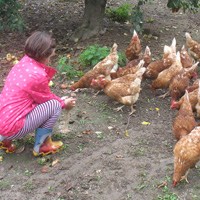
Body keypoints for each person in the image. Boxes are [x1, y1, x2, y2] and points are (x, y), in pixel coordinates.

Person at [0, 31, 76, 156]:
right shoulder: (37, 75)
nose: (50, 60)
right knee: (54, 105)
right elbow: (47, 99)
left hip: (3, 120)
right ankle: (42, 146)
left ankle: (3, 138)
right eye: (51, 57)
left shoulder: (22, 64)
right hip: (14, 127)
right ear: (44, 55)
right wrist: (63, 103)